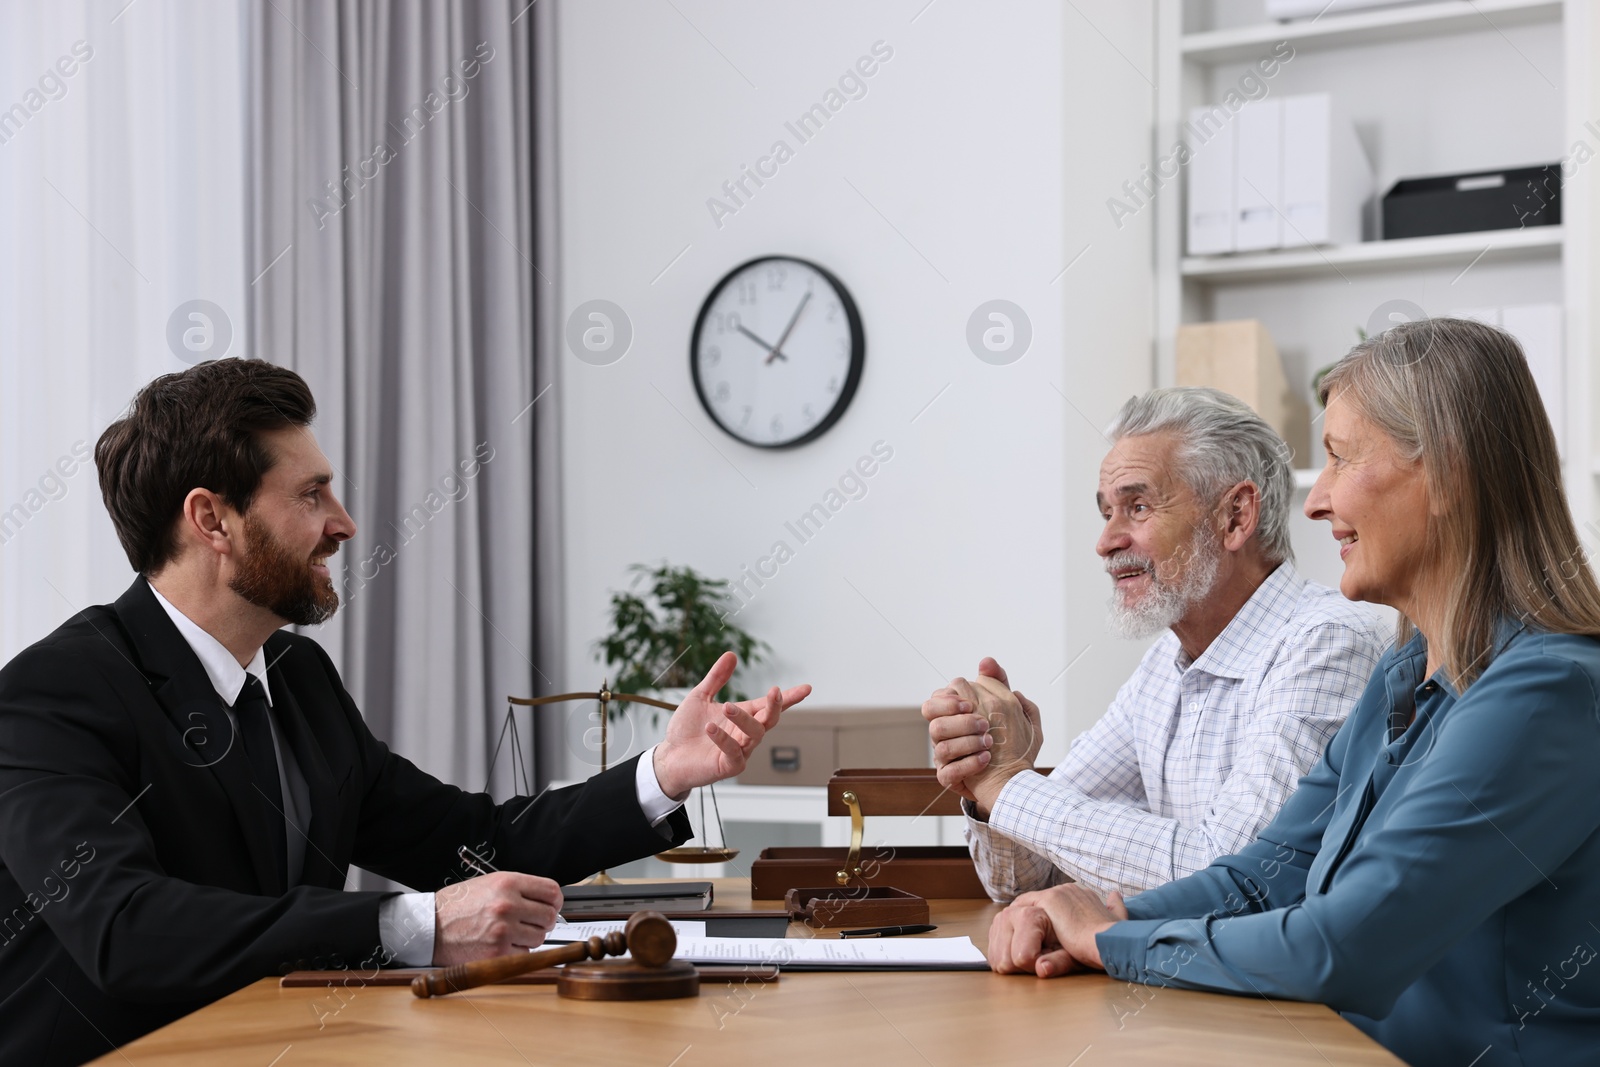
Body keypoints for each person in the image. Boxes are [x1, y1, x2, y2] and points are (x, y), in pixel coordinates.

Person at [0, 358, 811, 1066]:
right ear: (212, 518)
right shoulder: (54, 693)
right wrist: (405, 923)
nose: (344, 523)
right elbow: (124, 927)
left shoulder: (297, 675)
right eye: (312, 494)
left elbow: (472, 846)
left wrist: (662, 775)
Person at [984, 318, 1600, 1067]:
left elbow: (1342, 945)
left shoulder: (1547, 693)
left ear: (1449, 472)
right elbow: (1262, 876)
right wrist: (1092, 915)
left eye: (1340, 459)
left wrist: (1109, 937)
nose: (1315, 502)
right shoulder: (1404, 676)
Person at [924, 387, 1386, 899]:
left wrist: (1009, 786)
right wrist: (995, 766)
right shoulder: (1165, 663)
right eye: (1107, 513)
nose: (1106, 542)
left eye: (1137, 507)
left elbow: (1232, 880)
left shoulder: (1329, 643)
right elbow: (1023, 878)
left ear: (1234, 516)